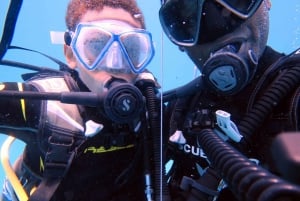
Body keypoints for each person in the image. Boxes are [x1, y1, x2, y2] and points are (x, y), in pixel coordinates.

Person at [0, 0, 163, 200]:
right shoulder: (42, 103)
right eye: (97, 45)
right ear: (71, 54)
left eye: (130, 48)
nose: (114, 63)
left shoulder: (153, 112)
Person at [159, 0, 300, 200]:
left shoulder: (294, 97)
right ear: (178, 42)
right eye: (188, 17)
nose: (216, 26)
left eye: (234, 1)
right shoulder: (176, 110)